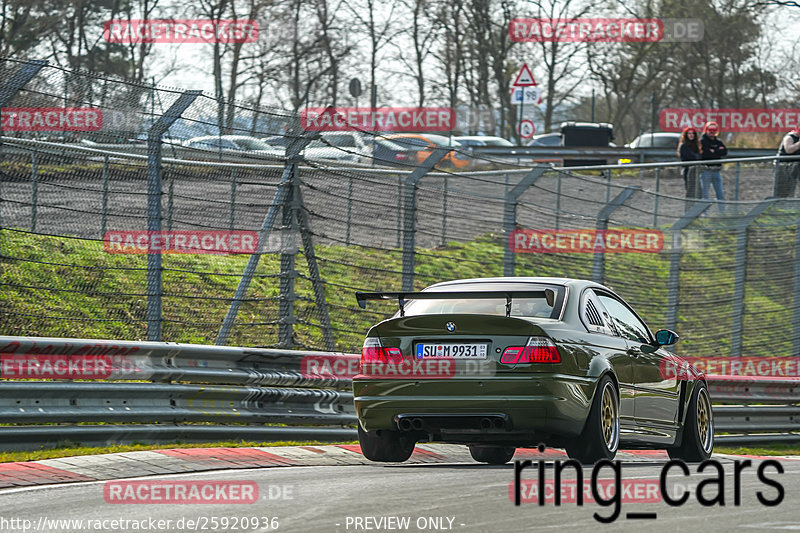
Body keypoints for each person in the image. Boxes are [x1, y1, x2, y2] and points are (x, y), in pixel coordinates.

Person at [700, 121, 728, 212]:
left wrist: (714, 151)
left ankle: (722, 213)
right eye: (710, 130)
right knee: (705, 194)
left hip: (716, 170)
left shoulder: (718, 141)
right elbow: (706, 153)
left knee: (720, 193)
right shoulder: (702, 141)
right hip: (706, 171)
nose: (712, 132)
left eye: (714, 130)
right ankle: (706, 214)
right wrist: (717, 151)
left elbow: (724, 152)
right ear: (706, 130)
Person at [775, 126, 800, 197]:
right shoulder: (789, 137)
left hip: (796, 166)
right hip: (783, 166)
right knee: (783, 189)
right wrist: (799, 144)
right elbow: (788, 150)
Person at [677, 126, 701, 198]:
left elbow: (699, 156)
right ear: (686, 135)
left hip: (696, 170)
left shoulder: (697, 145)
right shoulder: (684, 146)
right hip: (688, 170)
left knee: (699, 190)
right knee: (690, 190)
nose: (691, 135)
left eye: (693, 133)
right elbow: (692, 156)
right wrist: (697, 156)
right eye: (689, 133)